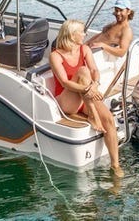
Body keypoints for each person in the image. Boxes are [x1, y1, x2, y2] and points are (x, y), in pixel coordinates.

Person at [49, 19, 123, 177]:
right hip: (67, 100)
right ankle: (92, 115)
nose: (85, 34)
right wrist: (89, 89)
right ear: (72, 35)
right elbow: (65, 82)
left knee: (109, 119)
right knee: (83, 71)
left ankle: (115, 165)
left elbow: (95, 70)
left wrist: (95, 84)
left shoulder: (84, 49)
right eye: (82, 32)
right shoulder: (55, 55)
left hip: (86, 95)